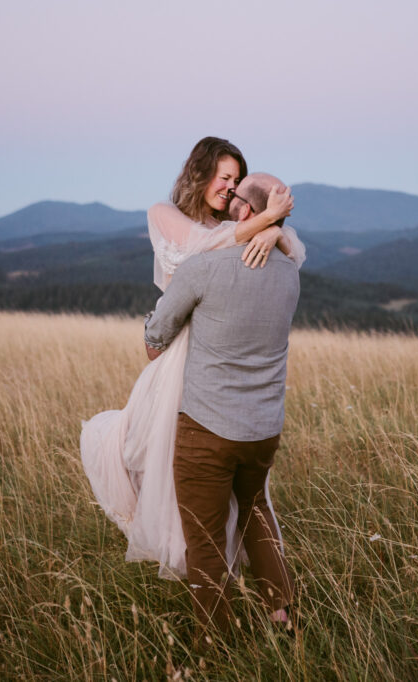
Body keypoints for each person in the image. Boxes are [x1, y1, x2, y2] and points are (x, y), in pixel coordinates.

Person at [80, 138, 305, 580]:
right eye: (224, 177)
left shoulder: (245, 221)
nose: (230, 186)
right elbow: (202, 246)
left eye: (237, 180)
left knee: (218, 471)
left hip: (218, 354)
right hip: (180, 351)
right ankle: (186, 556)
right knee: (157, 457)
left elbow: (293, 256)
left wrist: (275, 231)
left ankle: (220, 574)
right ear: (200, 174)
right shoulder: (165, 215)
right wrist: (268, 219)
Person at [143, 171, 301, 641]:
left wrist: (152, 322)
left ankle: (214, 647)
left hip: (207, 432)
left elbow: (155, 341)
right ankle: (282, 618)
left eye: (235, 194)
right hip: (263, 431)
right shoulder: (290, 273)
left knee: (206, 542)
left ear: (244, 211)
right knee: (256, 512)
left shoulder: (201, 269)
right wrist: (276, 231)